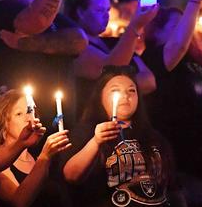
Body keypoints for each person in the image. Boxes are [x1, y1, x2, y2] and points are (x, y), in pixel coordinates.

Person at [141, 0, 202, 205]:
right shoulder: (155, 58)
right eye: (178, 26)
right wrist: (194, 0)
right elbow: (177, 45)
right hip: (178, 160)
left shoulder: (196, 61)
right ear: (157, 32)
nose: (186, 31)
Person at [61, 66, 184, 207]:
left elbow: (174, 188)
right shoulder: (86, 132)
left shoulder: (154, 137)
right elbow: (70, 175)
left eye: (132, 90)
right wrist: (96, 142)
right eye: (115, 90)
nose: (126, 96)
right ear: (100, 96)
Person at [65, 0, 157, 111]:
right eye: (99, 10)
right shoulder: (76, 47)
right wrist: (135, 26)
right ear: (80, 12)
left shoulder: (114, 43)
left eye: (107, 10)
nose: (106, 16)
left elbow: (149, 81)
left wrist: (120, 84)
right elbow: (110, 69)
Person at [0, 89, 72, 207]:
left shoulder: (36, 154)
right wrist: (44, 157)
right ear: (2, 122)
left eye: (30, 111)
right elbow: (19, 202)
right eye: (19, 114)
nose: (28, 118)